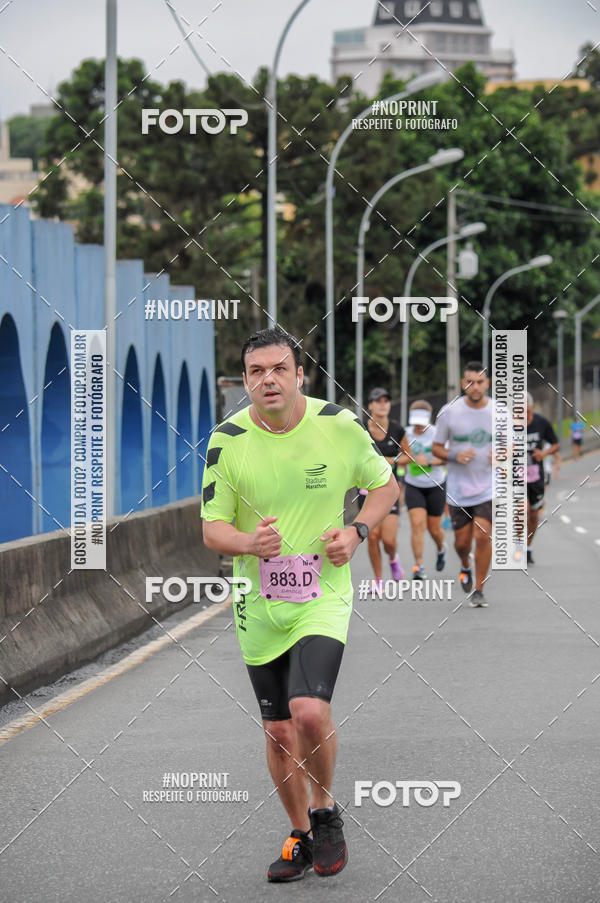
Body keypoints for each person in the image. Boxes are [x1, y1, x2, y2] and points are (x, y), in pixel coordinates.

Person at [201, 327, 398, 882]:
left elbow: (386, 488)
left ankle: (324, 809)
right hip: (257, 604)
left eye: (279, 369)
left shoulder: (337, 424)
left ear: (299, 375)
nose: (268, 380)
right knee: (279, 731)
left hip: (322, 596)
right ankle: (300, 835)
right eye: (256, 371)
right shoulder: (227, 439)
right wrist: (249, 543)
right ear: (245, 381)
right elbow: (212, 529)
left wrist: (356, 531)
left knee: (309, 711)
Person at [432, 362, 493, 608]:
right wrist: (455, 455)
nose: (475, 387)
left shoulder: (499, 412)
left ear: (487, 383)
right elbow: (436, 448)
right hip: (458, 490)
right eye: (470, 382)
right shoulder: (449, 412)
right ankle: (465, 564)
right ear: (462, 383)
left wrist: (503, 454)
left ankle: (479, 589)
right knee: (462, 543)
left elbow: (511, 445)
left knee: (483, 534)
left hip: (488, 487)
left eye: (479, 382)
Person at [361, 387, 412, 594]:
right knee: (373, 537)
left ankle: (392, 558)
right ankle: (378, 580)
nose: (383, 405)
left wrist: (393, 460)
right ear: (370, 406)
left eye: (386, 401)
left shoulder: (397, 430)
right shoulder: (360, 429)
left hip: (390, 491)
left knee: (388, 540)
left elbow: (409, 456)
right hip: (366, 490)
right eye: (378, 401)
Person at [396, 400, 446, 580]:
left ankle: (441, 548)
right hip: (414, 485)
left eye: (421, 422)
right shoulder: (405, 433)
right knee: (417, 524)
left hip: (436, 485)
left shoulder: (437, 433)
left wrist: (429, 462)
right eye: (415, 422)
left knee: (434, 530)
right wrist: (405, 461)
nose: (418, 426)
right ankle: (419, 566)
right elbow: (399, 455)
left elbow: (448, 458)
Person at [525, 393, 559, 564]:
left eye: (524, 409)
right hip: (514, 476)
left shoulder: (541, 422)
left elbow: (555, 444)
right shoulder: (508, 424)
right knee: (521, 510)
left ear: (530, 407)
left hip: (535, 475)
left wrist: (544, 453)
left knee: (533, 514)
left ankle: (528, 547)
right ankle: (518, 544)